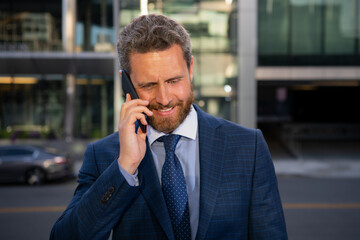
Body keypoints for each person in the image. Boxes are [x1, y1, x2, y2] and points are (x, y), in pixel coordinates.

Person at [50, 14, 287, 240]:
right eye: (149, 85)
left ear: (191, 69)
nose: (164, 98)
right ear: (127, 83)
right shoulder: (104, 156)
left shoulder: (249, 147)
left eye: (174, 81)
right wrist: (125, 166)